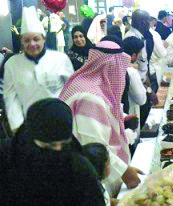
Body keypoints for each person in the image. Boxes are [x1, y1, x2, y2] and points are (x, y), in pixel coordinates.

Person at [59, 41, 143, 196]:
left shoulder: (86, 82)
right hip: (96, 177)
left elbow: (102, 114)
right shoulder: (89, 97)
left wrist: (122, 118)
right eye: (119, 68)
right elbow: (93, 146)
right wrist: (124, 171)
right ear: (111, 66)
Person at [0, 98, 106, 206]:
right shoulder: (6, 159)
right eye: (50, 146)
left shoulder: (78, 168)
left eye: (64, 144)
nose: (58, 150)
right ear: (31, 137)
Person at [4, 6, 74, 133]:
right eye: (27, 40)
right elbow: (10, 98)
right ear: (21, 41)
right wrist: (18, 129)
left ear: (44, 39)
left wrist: (71, 119)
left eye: (36, 39)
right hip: (29, 126)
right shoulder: (12, 64)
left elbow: (72, 90)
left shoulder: (61, 59)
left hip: (61, 121)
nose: (32, 44)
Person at [125, 10, 158, 128]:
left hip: (143, 84)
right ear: (143, 22)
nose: (150, 23)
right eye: (149, 20)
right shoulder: (131, 39)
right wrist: (149, 90)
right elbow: (132, 71)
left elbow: (144, 65)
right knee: (138, 122)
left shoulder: (141, 36)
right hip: (136, 89)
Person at [122, 36, 147, 150]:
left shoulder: (121, 66)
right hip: (129, 114)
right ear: (133, 55)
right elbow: (141, 100)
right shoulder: (131, 71)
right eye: (139, 53)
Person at [149, 16, 168, 86]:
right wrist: (164, 47)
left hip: (145, 69)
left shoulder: (135, 34)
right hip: (153, 68)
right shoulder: (154, 34)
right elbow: (162, 53)